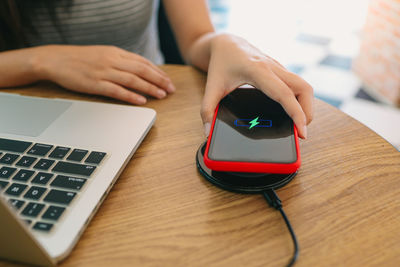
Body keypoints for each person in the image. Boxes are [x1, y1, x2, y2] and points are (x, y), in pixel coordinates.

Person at [0, 0, 313, 138]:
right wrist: (42, 61)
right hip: (18, 109)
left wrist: (227, 43)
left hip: (147, 104)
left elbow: (195, 37)